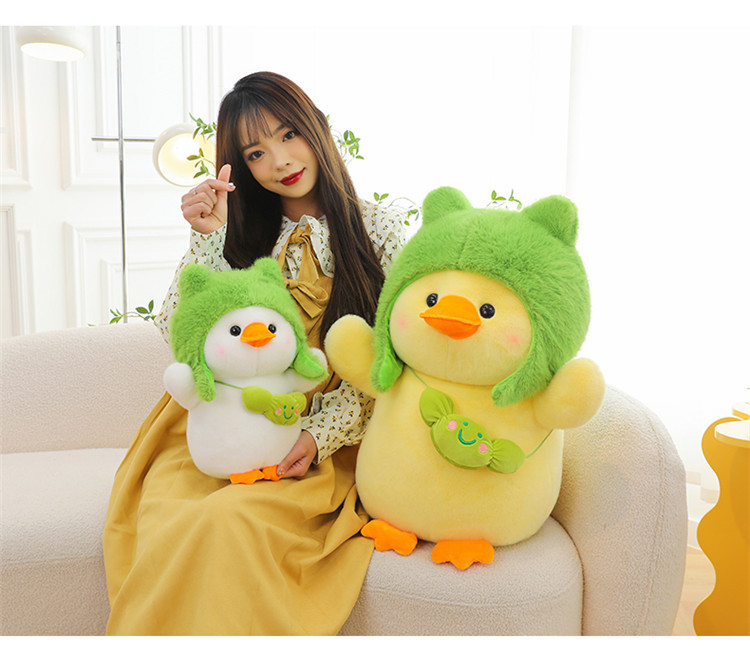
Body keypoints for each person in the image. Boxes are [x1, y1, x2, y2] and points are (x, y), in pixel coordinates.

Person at [103, 71, 407, 635]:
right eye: (256, 152)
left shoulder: (381, 230)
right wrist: (208, 238)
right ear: (241, 167)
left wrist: (319, 436)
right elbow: (177, 330)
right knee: (178, 518)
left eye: (289, 134)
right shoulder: (239, 234)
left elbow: (394, 360)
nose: (280, 160)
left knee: (229, 520)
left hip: (321, 439)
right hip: (220, 427)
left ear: (316, 126)